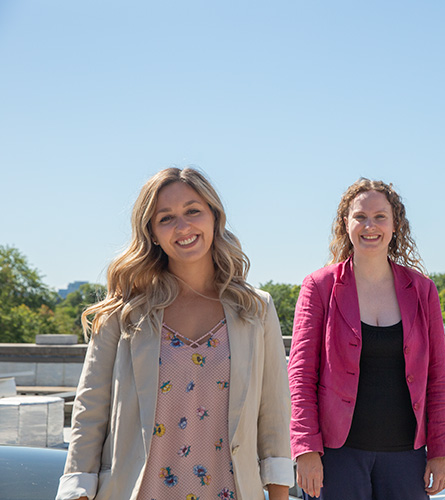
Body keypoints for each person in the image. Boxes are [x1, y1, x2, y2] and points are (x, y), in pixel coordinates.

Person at [56, 168, 293, 500]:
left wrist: (279, 494)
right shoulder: (121, 313)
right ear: (152, 232)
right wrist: (76, 492)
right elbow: (89, 411)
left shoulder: (255, 309)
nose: (183, 227)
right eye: (166, 218)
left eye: (193, 211)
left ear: (214, 216)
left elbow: (274, 417)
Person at [288, 178, 445, 499]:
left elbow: (437, 376)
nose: (370, 225)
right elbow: (300, 376)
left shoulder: (422, 290)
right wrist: (305, 448)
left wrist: (441, 450)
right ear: (345, 223)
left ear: (395, 226)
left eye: (380, 216)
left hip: (406, 457)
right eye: (360, 216)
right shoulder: (319, 286)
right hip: (337, 457)